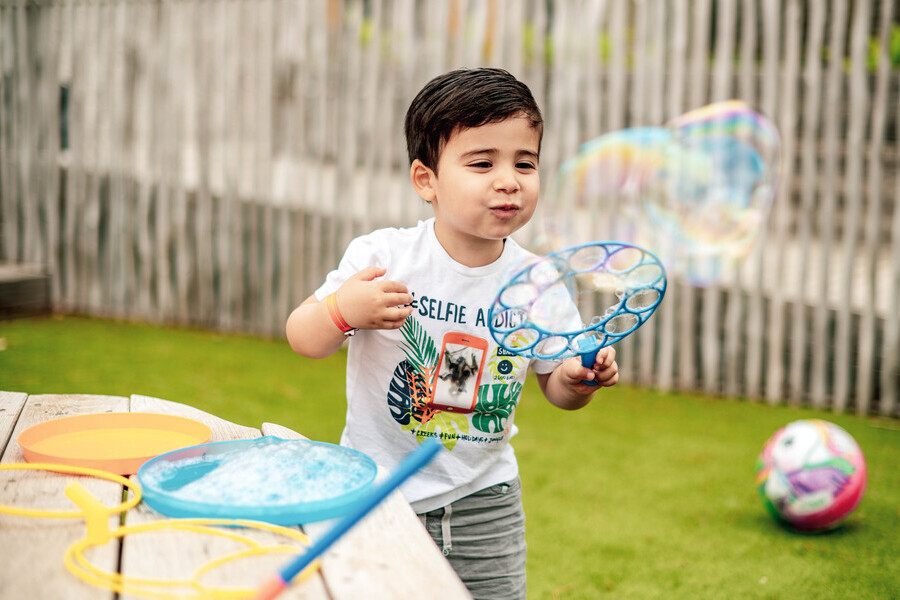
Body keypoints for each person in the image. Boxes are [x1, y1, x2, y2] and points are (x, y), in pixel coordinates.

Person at [285, 67, 619, 600]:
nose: (508, 179)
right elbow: (303, 336)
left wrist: (578, 381)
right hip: (376, 489)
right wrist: (342, 311)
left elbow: (556, 386)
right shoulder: (384, 258)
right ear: (427, 180)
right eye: (482, 162)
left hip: (486, 499)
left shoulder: (537, 281)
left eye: (524, 163)